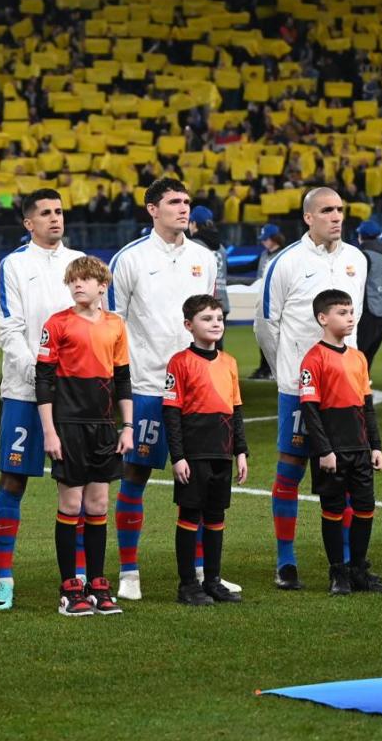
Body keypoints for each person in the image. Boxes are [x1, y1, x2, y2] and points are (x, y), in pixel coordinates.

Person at [107, 179, 221, 602]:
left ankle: (201, 572)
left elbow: (208, 319)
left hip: (198, 388)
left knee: (204, 480)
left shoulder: (204, 259)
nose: (183, 208)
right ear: (152, 209)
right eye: (174, 201)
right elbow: (111, 324)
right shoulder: (129, 260)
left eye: (187, 201)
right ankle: (129, 572)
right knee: (134, 475)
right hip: (148, 385)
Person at [254, 187, 367, 591]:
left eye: (340, 209)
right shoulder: (286, 263)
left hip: (347, 389)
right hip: (298, 388)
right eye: (326, 210)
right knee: (291, 470)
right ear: (308, 217)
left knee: (350, 473)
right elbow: (266, 325)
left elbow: (352, 322)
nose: (336, 216)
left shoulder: (356, 259)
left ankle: (350, 563)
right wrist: (288, 371)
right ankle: (286, 562)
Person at [0, 189, 82, 610]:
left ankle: (78, 575)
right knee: (13, 479)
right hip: (26, 393)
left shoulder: (79, 264)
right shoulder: (12, 266)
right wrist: (42, 379)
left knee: (75, 485)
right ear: (29, 223)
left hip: (76, 397)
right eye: (45, 213)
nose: (54, 219)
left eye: (59, 212)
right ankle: (4, 578)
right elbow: (10, 330)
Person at [36, 255, 134, 617]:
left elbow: (122, 377)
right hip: (68, 426)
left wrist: (127, 426)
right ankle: (69, 588)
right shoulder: (57, 324)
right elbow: (43, 381)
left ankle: (97, 583)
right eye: (73, 280)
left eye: (85, 280)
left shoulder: (115, 325)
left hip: (104, 427)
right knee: (70, 505)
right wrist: (50, 431)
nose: (77, 285)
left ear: (101, 286)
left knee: (97, 506)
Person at [298, 290, 382, 596]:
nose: (350, 317)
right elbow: (310, 411)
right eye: (342, 312)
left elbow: (367, 406)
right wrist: (325, 451)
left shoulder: (358, 358)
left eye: (351, 312)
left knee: (365, 508)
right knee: (333, 509)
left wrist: (375, 445)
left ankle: (358, 569)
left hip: (360, 448)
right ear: (323, 318)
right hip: (332, 452)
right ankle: (337, 572)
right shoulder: (313, 358)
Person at [163, 294, 248, 606]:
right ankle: (187, 584)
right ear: (189, 325)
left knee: (215, 517)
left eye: (219, 319)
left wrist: (240, 451)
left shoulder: (229, 363)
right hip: (194, 453)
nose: (215, 324)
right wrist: (178, 456)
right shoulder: (180, 362)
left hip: (221, 452)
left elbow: (236, 410)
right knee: (189, 516)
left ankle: (212, 580)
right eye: (207, 319)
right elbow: (171, 414)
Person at [357, 222, 382, 367]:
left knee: (357, 353)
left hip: (370, 310)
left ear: (361, 236)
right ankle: (363, 386)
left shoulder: (364, 255)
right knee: (369, 355)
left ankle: (353, 387)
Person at [249, 223, 284, 381]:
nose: (263, 242)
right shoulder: (264, 254)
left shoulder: (284, 255)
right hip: (263, 300)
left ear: (274, 239)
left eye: (266, 239)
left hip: (277, 301)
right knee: (263, 333)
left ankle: (273, 368)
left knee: (275, 336)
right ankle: (264, 367)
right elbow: (250, 265)